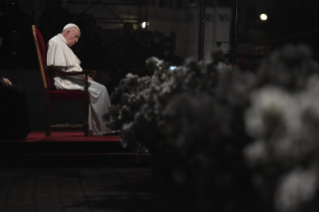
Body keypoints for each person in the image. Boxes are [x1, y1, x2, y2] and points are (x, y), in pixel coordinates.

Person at [46, 23, 112, 135]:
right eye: (76, 37)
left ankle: (99, 128)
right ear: (67, 32)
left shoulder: (62, 43)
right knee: (100, 90)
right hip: (63, 80)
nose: (77, 41)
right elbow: (58, 69)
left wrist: (83, 77)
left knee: (100, 88)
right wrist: (84, 77)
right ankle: (102, 128)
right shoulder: (55, 42)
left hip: (69, 78)